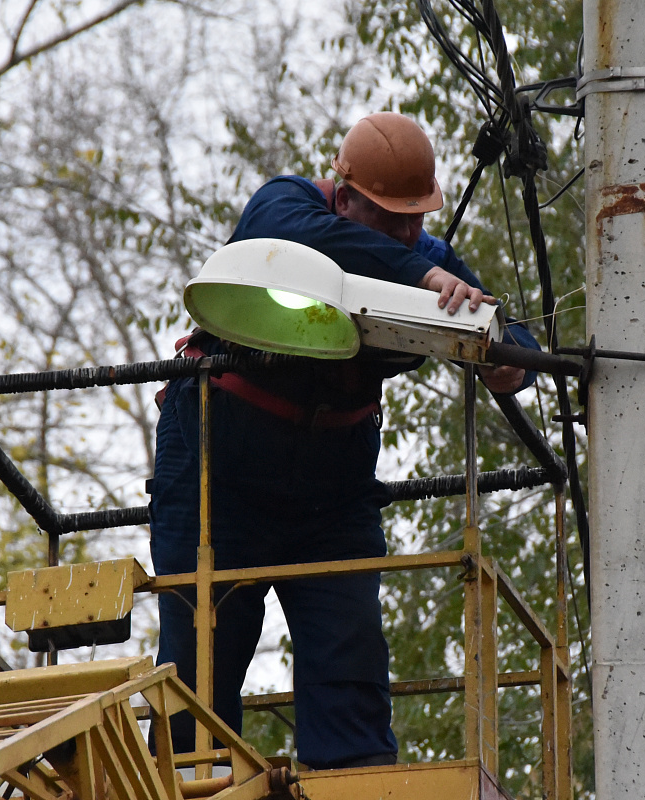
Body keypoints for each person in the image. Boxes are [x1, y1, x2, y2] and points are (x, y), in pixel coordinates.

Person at [148, 112, 540, 770]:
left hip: (332, 495)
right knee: (197, 673)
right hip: (216, 473)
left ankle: (353, 783)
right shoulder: (287, 205)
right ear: (345, 193)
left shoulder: (426, 256)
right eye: (391, 219)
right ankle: (191, 781)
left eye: (416, 219)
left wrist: (511, 362)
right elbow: (288, 237)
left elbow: (504, 327)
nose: (409, 234)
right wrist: (419, 278)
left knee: (349, 660)